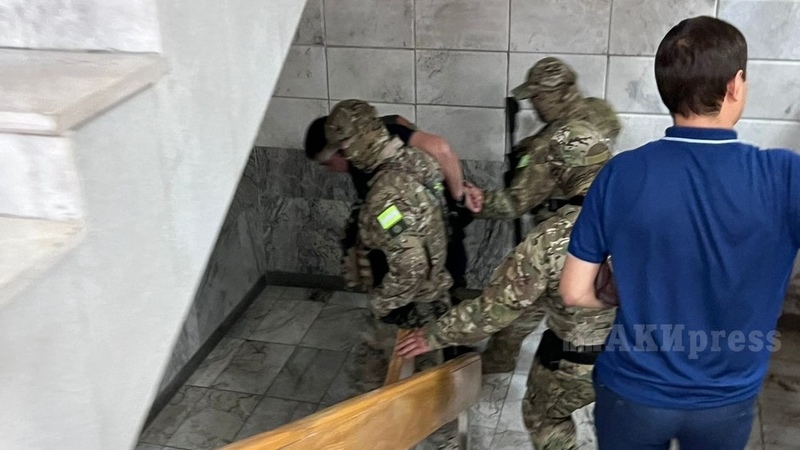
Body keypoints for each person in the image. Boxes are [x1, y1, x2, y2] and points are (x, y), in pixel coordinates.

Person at [560, 16, 800, 450]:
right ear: (735, 85)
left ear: (666, 89)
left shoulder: (622, 173)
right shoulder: (784, 176)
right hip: (726, 401)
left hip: (632, 392)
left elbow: (575, 292)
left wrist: (623, 293)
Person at [396, 118, 620, 450]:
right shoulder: (647, 212)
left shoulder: (550, 239)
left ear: (558, 173)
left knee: (544, 419)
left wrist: (433, 335)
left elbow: (493, 310)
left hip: (576, 362)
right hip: (643, 352)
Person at [464, 58, 621, 374]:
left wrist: (473, 203)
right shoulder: (600, 112)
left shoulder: (550, 146)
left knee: (521, 304)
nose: (533, 105)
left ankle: (502, 360)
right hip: (604, 227)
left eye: (538, 97)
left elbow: (514, 203)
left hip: (560, 239)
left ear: (559, 93)